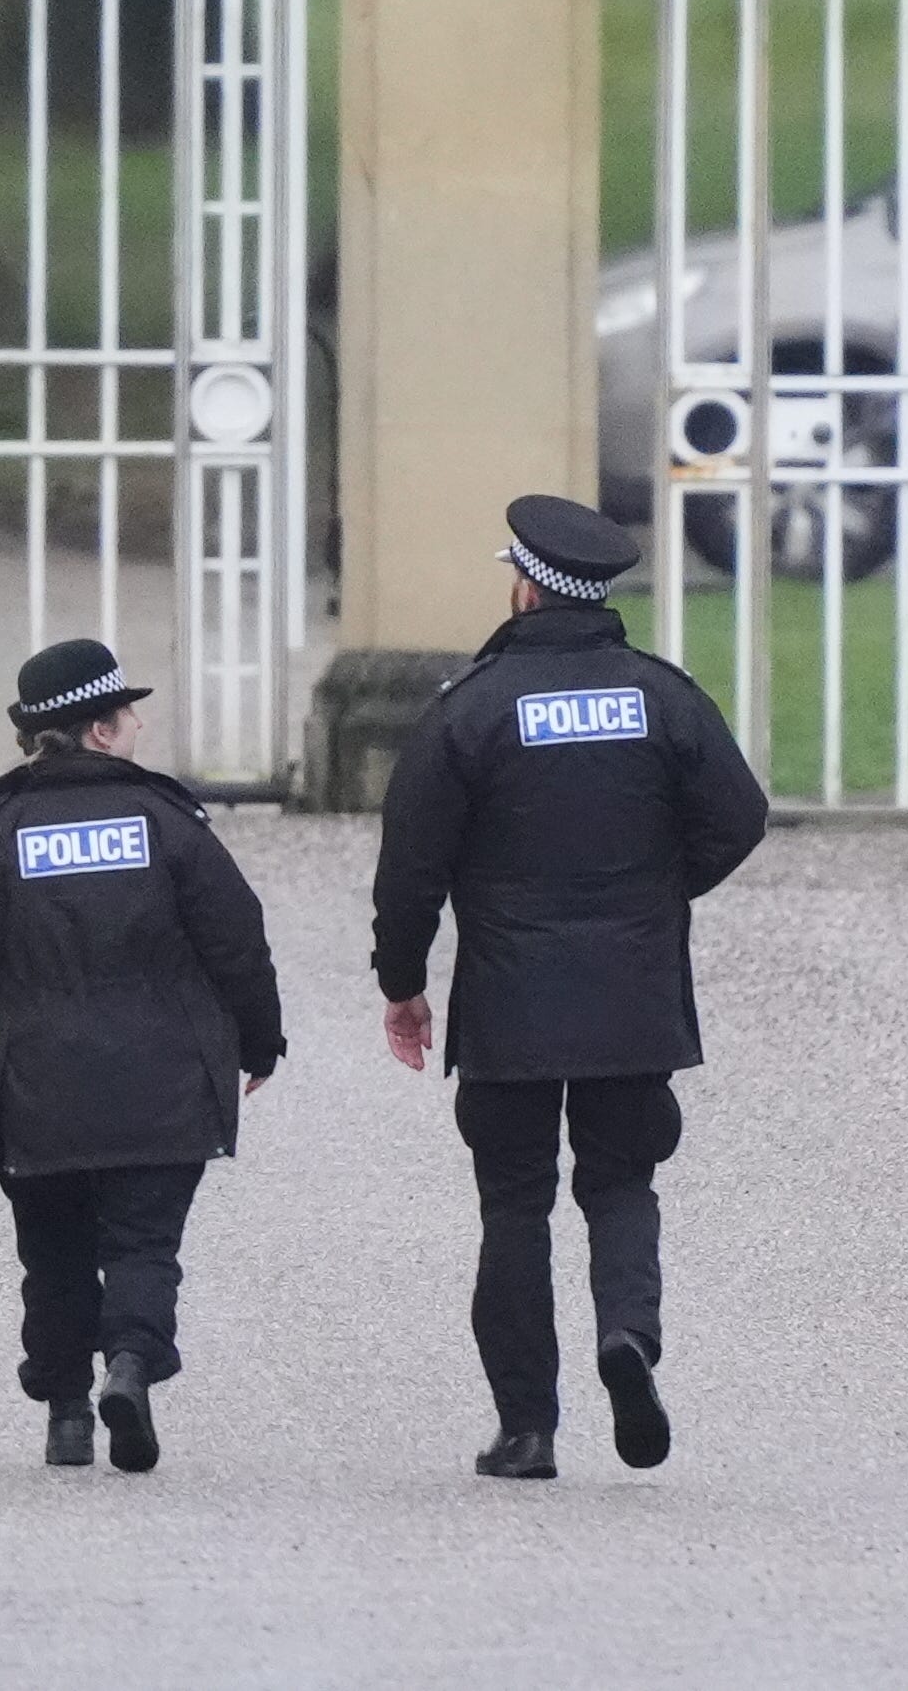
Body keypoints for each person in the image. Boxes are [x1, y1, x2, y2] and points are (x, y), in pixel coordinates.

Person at [367, 494, 771, 1481]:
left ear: (525, 585)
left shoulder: (468, 707)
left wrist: (404, 981)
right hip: (633, 999)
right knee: (621, 1182)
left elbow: (411, 865)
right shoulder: (661, 696)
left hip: (508, 1006)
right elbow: (739, 815)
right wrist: (657, 893)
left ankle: (526, 1429)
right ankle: (626, 1336)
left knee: (514, 1204)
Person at [0, 635, 288, 1475]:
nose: (141, 722)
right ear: (101, 732)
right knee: (145, 1245)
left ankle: (68, 1411)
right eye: (129, 711)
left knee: (54, 1252)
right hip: (163, 1084)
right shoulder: (168, 823)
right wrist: (261, 1039)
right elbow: (237, 939)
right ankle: (132, 1363)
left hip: (34, 1093)